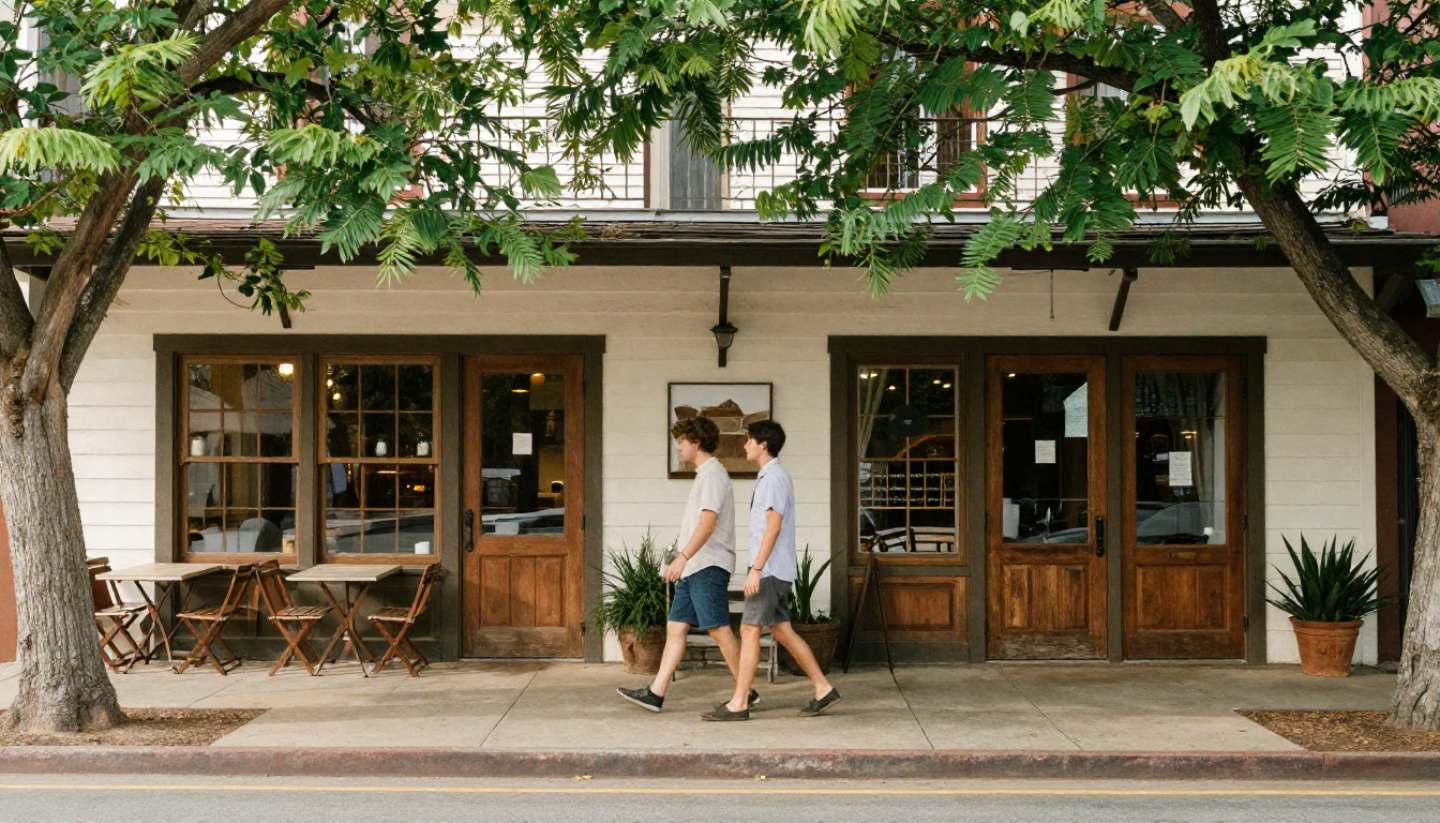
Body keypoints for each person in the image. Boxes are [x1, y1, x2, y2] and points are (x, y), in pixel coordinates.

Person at [616, 416, 758, 712]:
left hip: (707, 567)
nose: (678, 447)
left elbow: (707, 525)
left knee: (719, 630)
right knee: (676, 629)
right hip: (694, 567)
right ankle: (656, 693)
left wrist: (682, 558)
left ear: (695, 442)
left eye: (681, 442)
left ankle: (749, 691)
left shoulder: (713, 476)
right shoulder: (704, 476)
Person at [703, 419, 839, 721]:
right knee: (782, 631)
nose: (745, 445)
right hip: (774, 569)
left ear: (763, 444)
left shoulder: (775, 478)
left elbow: (773, 527)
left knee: (749, 630)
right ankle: (823, 688)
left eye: (749, 440)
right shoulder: (770, 477)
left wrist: (757, 569)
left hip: (770, 570)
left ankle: (739, 702)